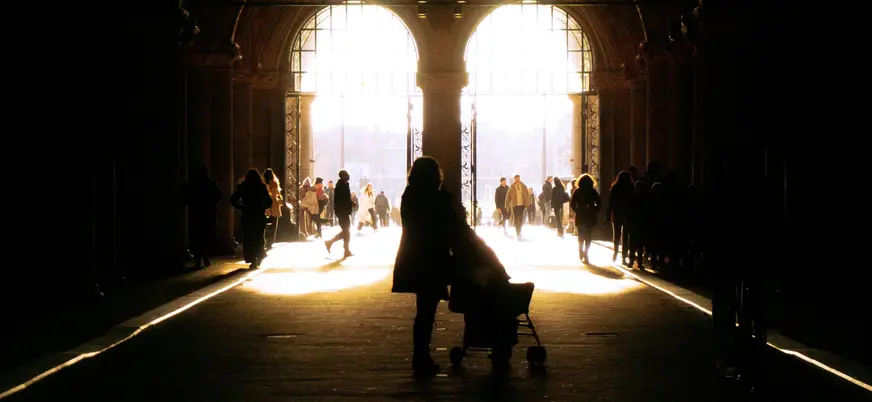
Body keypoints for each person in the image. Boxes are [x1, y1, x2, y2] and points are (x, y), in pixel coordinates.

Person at [230, 169, 273, 269]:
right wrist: (262, 207)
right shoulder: (261, 187)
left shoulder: (243, 187)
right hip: (259, 215)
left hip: (247, 215)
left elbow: (233, 199)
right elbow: (269, 201)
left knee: (248, 238)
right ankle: (259, 255)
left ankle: (252, 259)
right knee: (258, 237)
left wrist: (241, 207)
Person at [182, 164, 222, 268]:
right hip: (208, 214)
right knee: (207, 236)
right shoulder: (210, 183)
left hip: (195, 214)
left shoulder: (192, 184)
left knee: (196, 236)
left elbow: (185, 198)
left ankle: (197, 259)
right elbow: (219, 196)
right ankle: (205, 256)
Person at [570, 174, 601, 264]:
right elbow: (599, 203)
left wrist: (578, 210)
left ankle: (580, 251)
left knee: (581, 235)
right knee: (588, 236)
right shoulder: (593, 191)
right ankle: (586, 254)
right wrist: (594, 210)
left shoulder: (577, 191)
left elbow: (572, 204)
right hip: (590, 215)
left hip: (580, 215)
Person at [325, 170, 353, 258]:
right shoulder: (341, 186)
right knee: (346, 231)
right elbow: (341, 200)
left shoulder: (344, 185)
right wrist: (349, 203)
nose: (348, 176)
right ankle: (333, 244)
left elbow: (345, 198)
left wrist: (351, 202)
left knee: (346, 231)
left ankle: (342, 248)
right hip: (342, 212)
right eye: (346, 175)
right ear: (342, 176)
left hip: (344, 211)